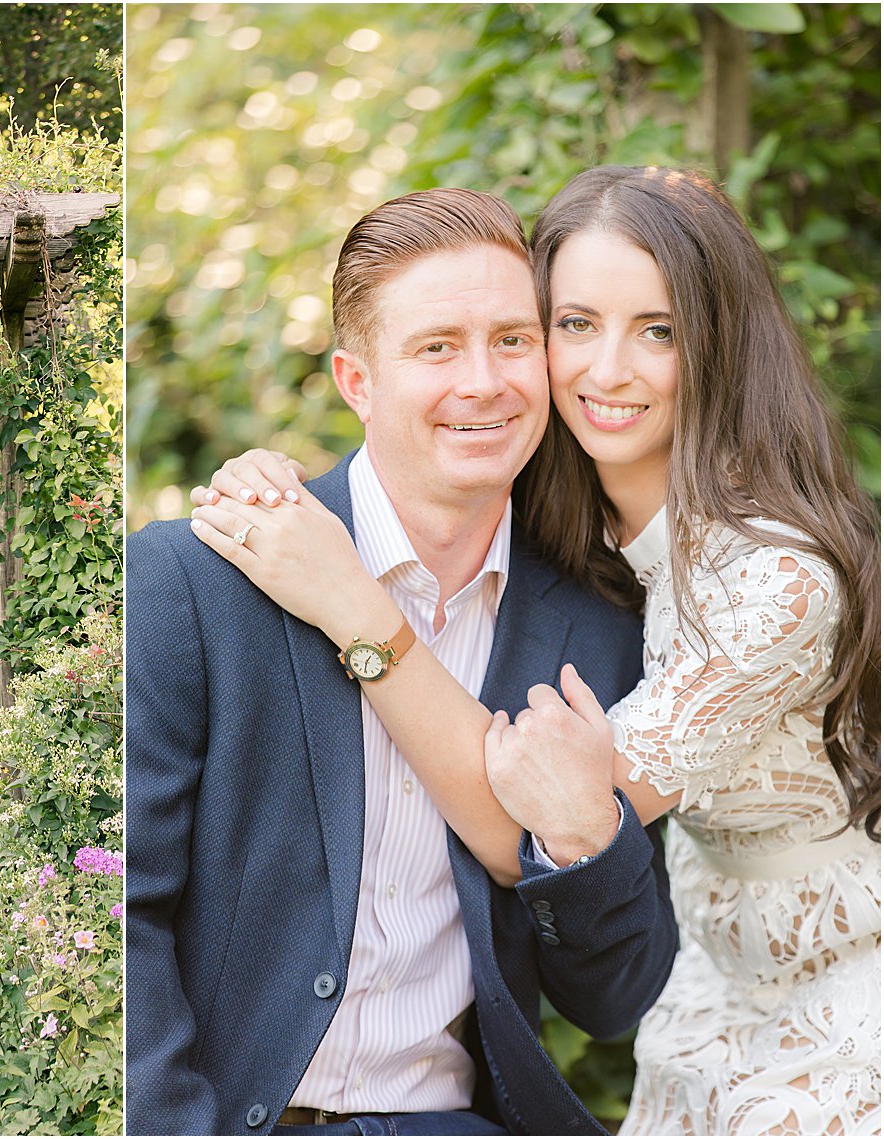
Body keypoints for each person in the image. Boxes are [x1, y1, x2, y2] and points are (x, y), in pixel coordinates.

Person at [191, 167, 881, 1135]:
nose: (607, 369)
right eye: (571, 324)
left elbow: (531, 830)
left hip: (853, 979)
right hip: (712, 989)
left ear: (718, 344)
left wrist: (353, 606)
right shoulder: (575, 537)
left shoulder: (777, 581)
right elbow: (406, 466)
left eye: (659, 329)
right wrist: (266, 483)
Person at [126, 187, 679, 1137]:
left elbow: (616, 995)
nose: (485, 382)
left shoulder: (594, 627)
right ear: (357, 379)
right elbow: (122, 911)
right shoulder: (195, 578)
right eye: (436, 348)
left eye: (513, 340)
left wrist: (586, 831)